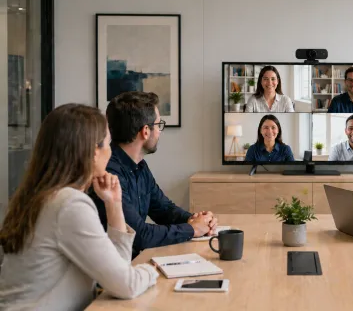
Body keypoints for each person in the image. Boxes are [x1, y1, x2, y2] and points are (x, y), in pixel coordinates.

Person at [0, 104, 158, 310]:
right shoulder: (69, 205)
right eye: (109, 144)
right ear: (94, 152)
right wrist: (153, 270)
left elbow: (118, 271)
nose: (111, 152)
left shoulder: (37, 197)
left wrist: (113, 203)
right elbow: (127, 284)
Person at [89, 91, 218, 259]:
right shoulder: (109, 174)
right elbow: (140, 236)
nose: (159, 131)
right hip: (118, 270)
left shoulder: (140, 166)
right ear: (145, 131)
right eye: (159, 125)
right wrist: (192, 229)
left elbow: (163, 209)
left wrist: (197, 220)